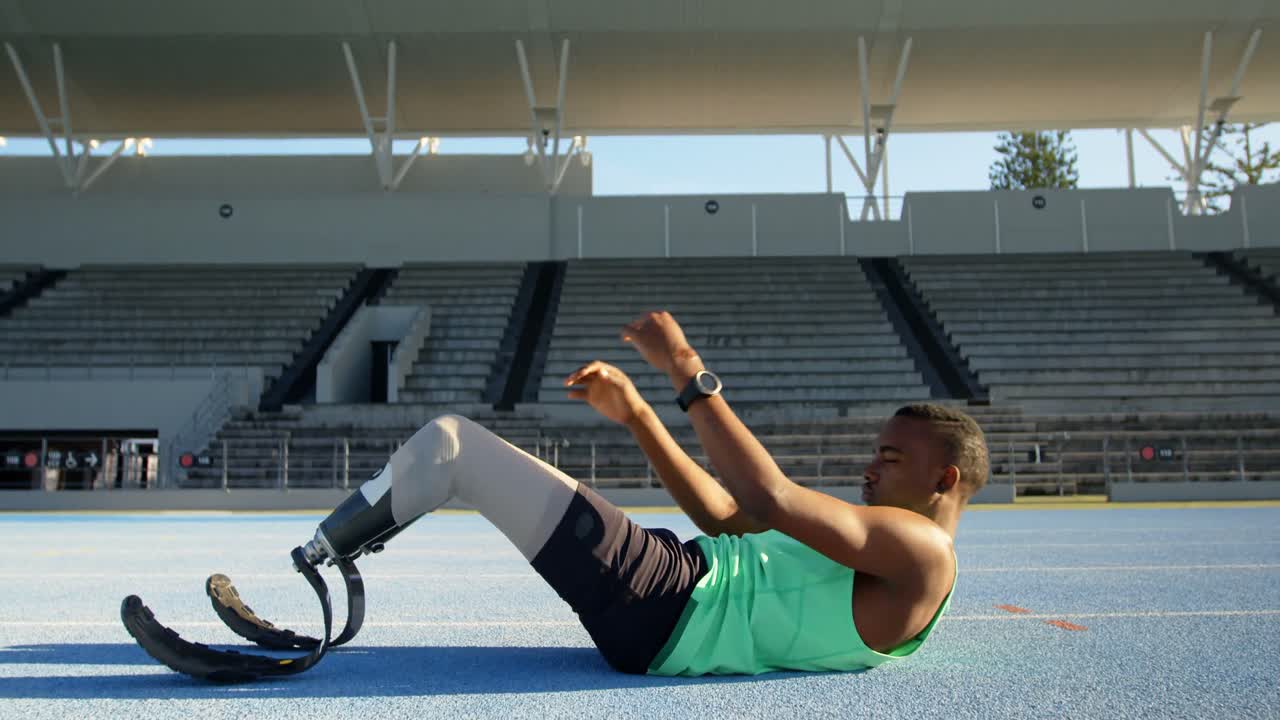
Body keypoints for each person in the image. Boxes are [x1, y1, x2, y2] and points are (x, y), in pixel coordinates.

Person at [379, 311, 988, 676]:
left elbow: (770, 495)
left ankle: (319, 559)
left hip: (666, 596)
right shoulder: (886, 555)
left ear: (945, 480)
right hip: (660, 612)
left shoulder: (925, 551)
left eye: (890, 457)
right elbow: (727, 514)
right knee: (456, 450)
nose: (870, 469)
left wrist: (684, 365)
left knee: (452, 444)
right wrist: (640, 415)